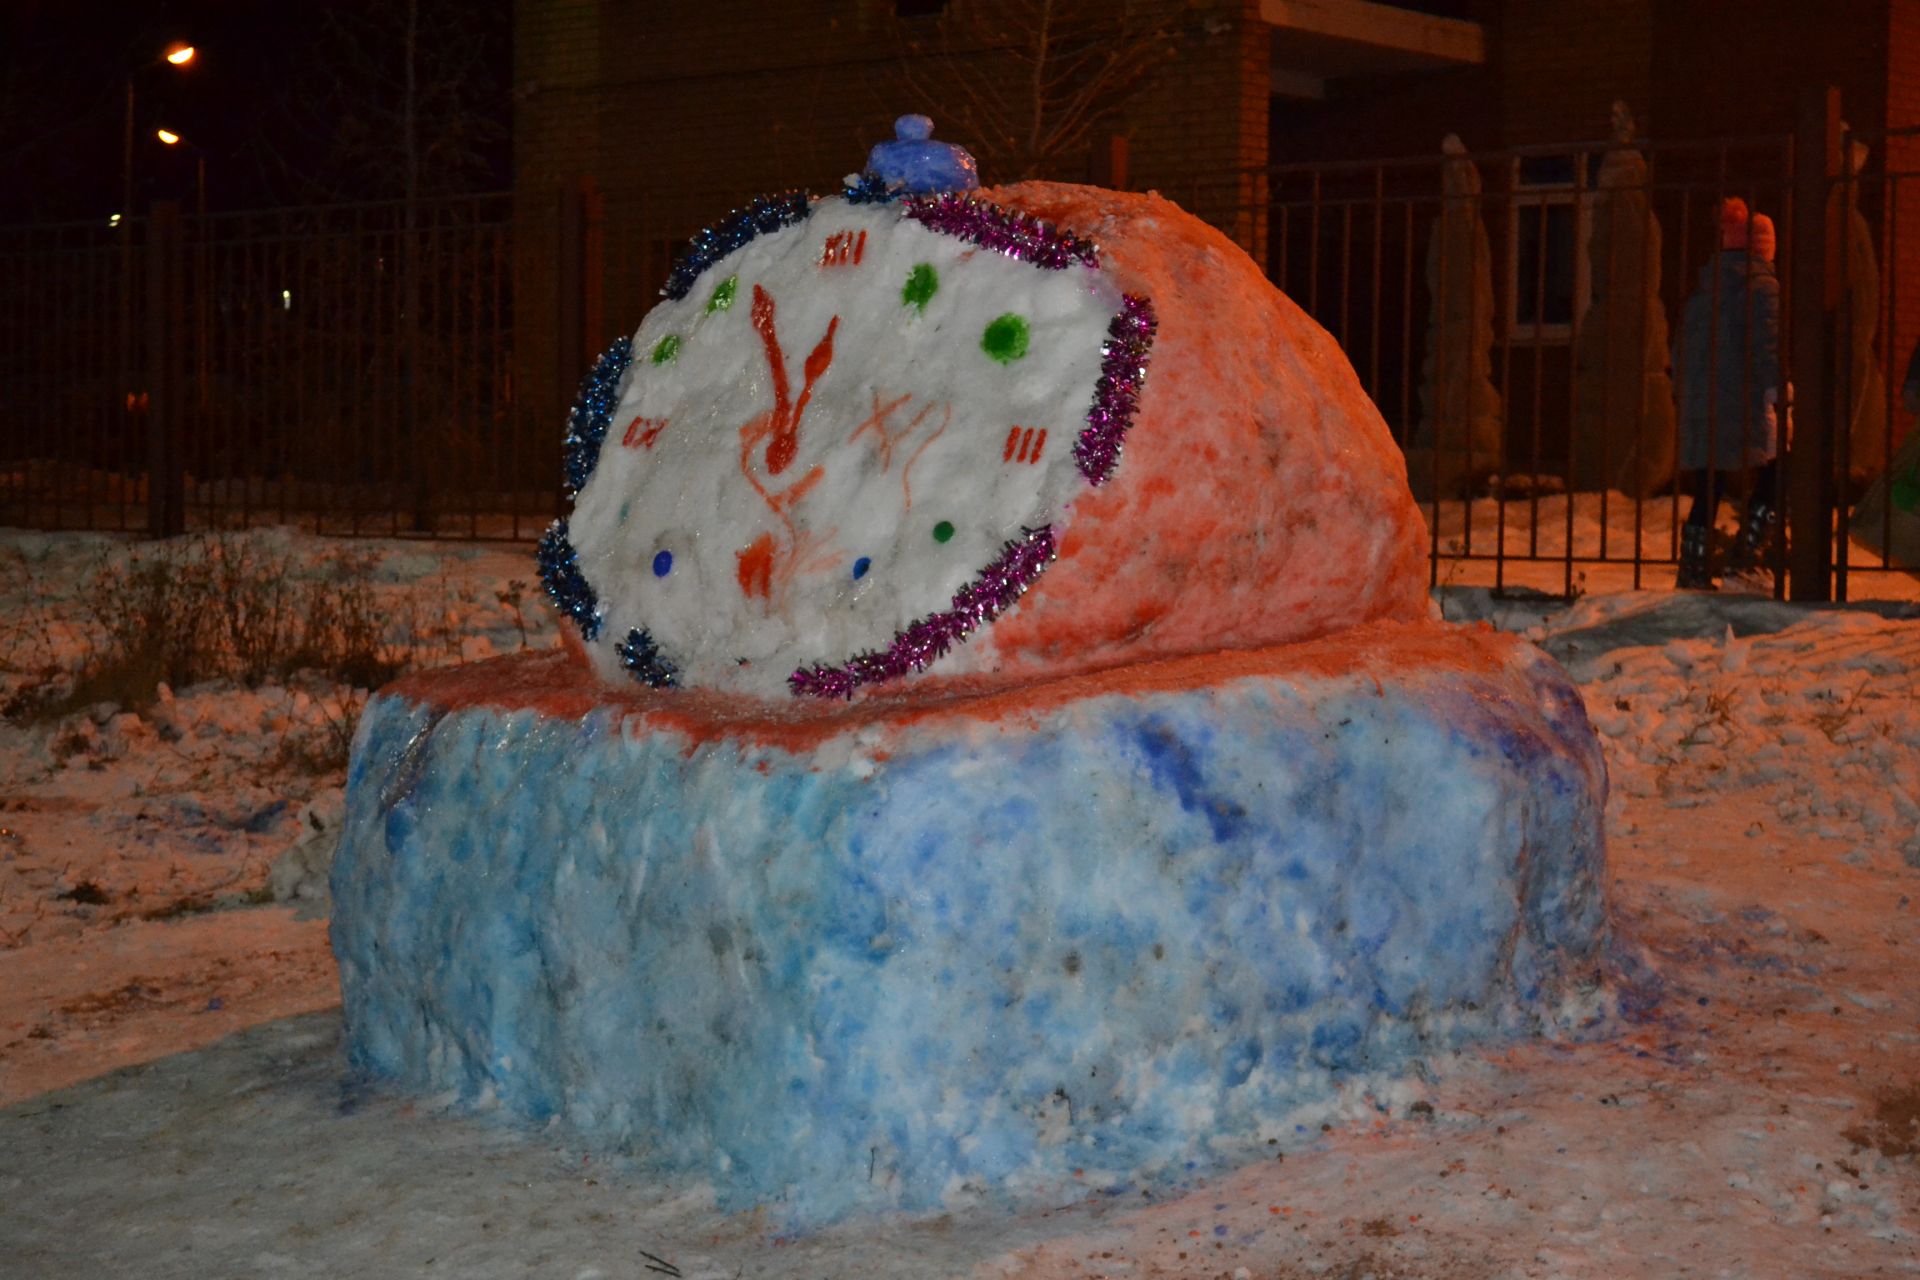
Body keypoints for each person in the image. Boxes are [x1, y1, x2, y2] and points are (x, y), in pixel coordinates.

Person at [1672, 199, 1782, 589]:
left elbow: (1682, 348)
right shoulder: (1763, 287)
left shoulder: (1706, 287)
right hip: (1746, 399)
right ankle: (1750, 553)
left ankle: (1693, 565)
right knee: (1775, 469)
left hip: (1704, 400)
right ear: (1763, 246)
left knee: (1709, 481)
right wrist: (1779, 393)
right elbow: (1767, 347)